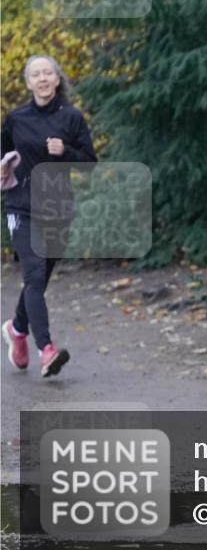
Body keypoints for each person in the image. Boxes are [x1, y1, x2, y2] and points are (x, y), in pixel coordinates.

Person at [1, 54, 97, 378]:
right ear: (28, 83)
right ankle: (47, 350)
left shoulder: (72, 118)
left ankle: (16, 329)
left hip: (57, 209)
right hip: (21, 206)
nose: (42, 79)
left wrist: (66, 151)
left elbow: (89, 163)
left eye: (47, 73)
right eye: (36, 75)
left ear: (57, 79)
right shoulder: (16, 118)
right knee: (34, 275)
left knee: (38, 281)